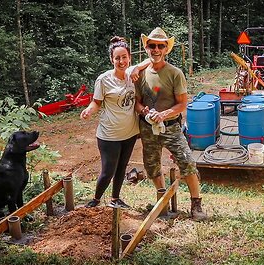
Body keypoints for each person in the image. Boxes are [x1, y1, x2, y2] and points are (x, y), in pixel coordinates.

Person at [134, 27, 207, 220]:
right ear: (146, 48)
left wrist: (165, 113)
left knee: (187, 162)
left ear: (166, 49)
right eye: (152, 46)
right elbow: (137, 101)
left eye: (160, 46)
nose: (156, 49)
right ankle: (163, 200)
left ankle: (196, 205)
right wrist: (144, 111)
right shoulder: (140, 74)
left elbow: (183, 103)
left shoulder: (175, 73)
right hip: (147, 127)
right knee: (152, 165)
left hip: (172, 127)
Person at [81, 36, 149, 209]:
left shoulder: (133, 75)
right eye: (117, 58)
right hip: (109, 134)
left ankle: (115, 199)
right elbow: (96, 103)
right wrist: (89, 110)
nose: (121, 61)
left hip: (130, 132)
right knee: (108, 170)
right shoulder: (103, 79)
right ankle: (95, 200)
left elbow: (152, 58)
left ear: (129, 58)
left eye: (124, 57)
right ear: (111, 59)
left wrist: (137, 67)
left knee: (122, 167)